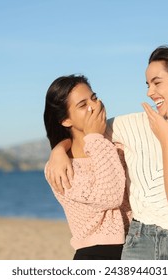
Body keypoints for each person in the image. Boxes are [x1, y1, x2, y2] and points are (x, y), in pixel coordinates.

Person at [45, 46, 168, 260]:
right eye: (148, 84)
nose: (149, 92)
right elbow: (89, 134)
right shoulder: (135, 125)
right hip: (136, 245)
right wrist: (59, 149)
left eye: (157, 82)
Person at [43, 74, 131, 260]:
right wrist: (94, 138)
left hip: (139, 247)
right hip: (96, 254)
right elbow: (110, 196)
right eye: (82, 105)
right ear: (66, 120)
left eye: (94, 97)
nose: (95, 106)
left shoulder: (118, 145)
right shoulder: (61, 168)